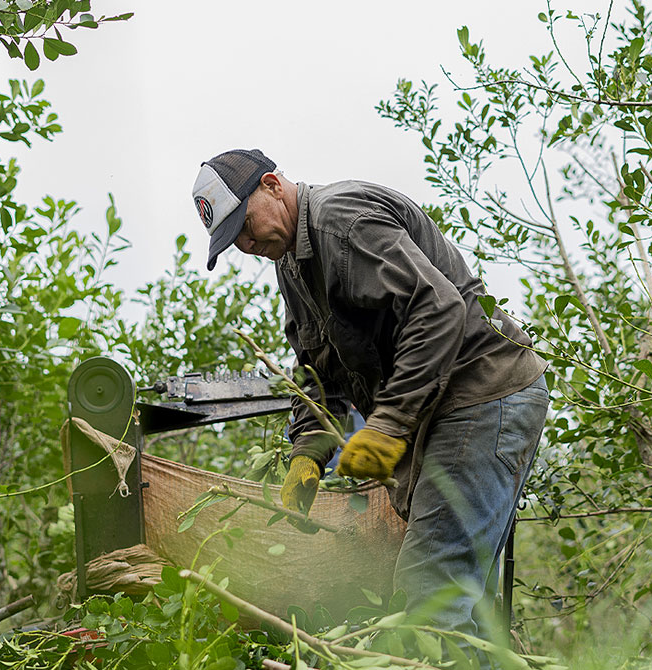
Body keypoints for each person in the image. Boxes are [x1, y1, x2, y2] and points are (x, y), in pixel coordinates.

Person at [191, 148, 549, 656]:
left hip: (481, 395)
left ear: (271, 184)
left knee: (430, 591)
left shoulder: (343, 223)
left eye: (245, 226)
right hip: (445, 412)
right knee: (459, 607)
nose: (248, 245)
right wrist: (308, 452)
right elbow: (316, 369)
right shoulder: (291, 262)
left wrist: (388, 425)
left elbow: (439, 310)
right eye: (235, 241)